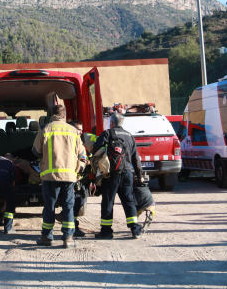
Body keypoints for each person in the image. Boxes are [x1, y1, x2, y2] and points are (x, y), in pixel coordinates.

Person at [32, 104, 82, 249]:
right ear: (64, 115)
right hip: (69, 175)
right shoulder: (73, 130)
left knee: (50, 206)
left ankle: (47, 237)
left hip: (50, 175)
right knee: (68, 206)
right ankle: (68, 238)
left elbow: (36, 151)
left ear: (51, 114)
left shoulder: (45, 129)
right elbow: (80, 153)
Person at [91, 111, 144, 239]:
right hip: (127, 173)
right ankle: (135, 229)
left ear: (112, 122)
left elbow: (95, 149)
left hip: (111, 174)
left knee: (108, 201)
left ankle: (106, 232)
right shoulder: (129, 136)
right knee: (128, 200)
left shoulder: (108, 133)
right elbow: (136, 158)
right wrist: (139, 175)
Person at [67, 120, 90, 238]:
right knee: (73, 201)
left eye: (81, 130)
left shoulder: (81, 141)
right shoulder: (69, 141)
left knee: (79, 200)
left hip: (79, 177)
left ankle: (72, 225)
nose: (80, 132)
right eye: (78, 129)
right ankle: (72, 227)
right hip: (71, 176)